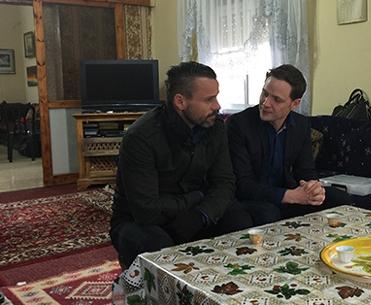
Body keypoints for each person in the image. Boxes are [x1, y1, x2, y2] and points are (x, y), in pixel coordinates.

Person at [110, 62, 253, 268]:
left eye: (216, 97)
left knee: (239, 221)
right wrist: (196, 198)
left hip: (195, 211)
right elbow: (146, 209)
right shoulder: (140, 137)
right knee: (157, 245)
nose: (217, 106)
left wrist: (201, 215)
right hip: (142, 221)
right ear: (180, 101)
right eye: (209, 99)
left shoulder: (215, 128)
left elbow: (225, 183)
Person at [227, 64, 351, 225]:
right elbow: (243, 184)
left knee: (339, 198)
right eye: (265, 93)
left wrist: (313, 188)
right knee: (268, 213)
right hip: (252, 198)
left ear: (295, 103)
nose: (265, 103)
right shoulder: (238, 124)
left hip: (287, 194)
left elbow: (306, 171)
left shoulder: (301, 125)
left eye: (276, 99)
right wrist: (290, 196)